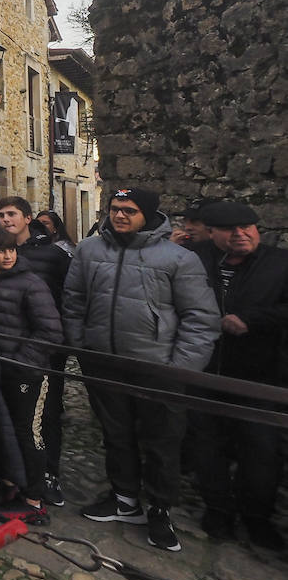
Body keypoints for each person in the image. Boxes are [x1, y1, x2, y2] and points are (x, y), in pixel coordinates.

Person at [63, 187, 220, 552]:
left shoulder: (179, 259)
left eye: (129, 210)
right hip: (104, 361)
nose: (120, 216)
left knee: (162, 440)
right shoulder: (89, 250)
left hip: (157, 366)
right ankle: (124, 499)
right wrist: (81, 345)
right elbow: (73, 299)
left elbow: (201, 319)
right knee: (116, 434)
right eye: (115, 208)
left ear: (147, 215)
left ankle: (160, 508)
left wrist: (179, 368)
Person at [186, 201, 288, 550]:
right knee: (207, 446)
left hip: (260, 376)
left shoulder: (279, 263)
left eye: (248, 227)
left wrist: (252, 320)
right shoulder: (194, 259)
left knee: (261, 451)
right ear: (211, 232)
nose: (241, 234)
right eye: (230, 229)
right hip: (204, 370)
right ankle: (218, 510)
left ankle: (257, 518)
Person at [0, 224, 62, 525]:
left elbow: (50, 331)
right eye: (0, 250)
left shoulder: (31, 283)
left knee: (27, 433)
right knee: (0, 429)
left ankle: (34, 498)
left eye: (11, 249)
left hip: (25, 373)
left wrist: (21, 362)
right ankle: (9, 482)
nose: (8, 256)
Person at [0, 196, 72, 506]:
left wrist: (59, 342)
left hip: (44, 348)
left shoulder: (53, 255)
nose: (5, 219)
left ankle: (47, 476)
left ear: (27, 218)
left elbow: (70, 296)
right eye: (1, 214)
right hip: (6, 346)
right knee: (13, 413)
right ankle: (12, 474)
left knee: (45, 415)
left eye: (11, 213)